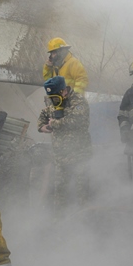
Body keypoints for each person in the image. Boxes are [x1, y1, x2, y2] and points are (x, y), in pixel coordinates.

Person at [38, 76, 92, 210]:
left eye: (55, 96)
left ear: (64, 91)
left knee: (82, 190)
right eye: (51, 97)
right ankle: (61, 221)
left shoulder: (78, 102)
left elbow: (77, 121)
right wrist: (41, 126)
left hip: (80, 155)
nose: (53, 100)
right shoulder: (53, 101)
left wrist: (54, 124)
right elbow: (44, 114)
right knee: (61, 191)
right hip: (61, 157)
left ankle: (84, 220)